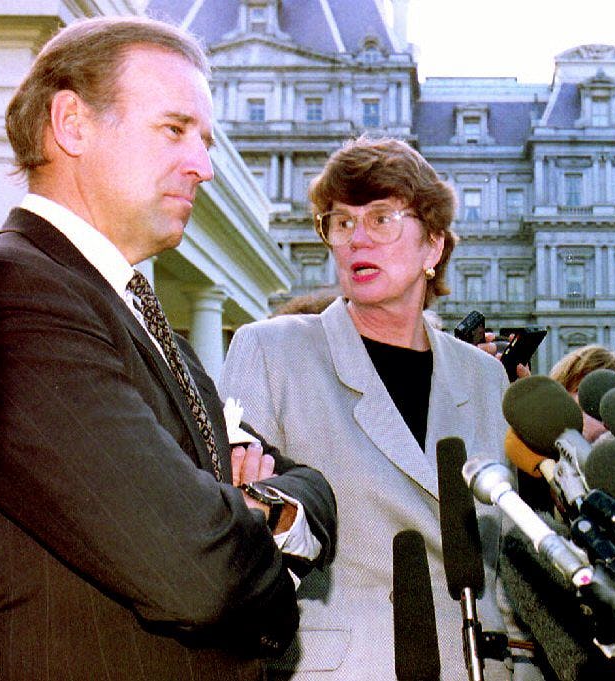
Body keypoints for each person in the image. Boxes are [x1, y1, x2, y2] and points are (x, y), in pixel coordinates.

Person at [0, 17, 337, 680]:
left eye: (205, 141)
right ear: (72, 124)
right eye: (175, 130)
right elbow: (196, 571)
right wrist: (251, 515)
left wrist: (253, 508)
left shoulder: (151, 326)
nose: (204, 167)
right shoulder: (16, 295)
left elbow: (312, 486)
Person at [220, 137, 526, 680]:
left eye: (381, 219)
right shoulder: (270, 350)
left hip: (474, 666)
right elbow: (234, 539)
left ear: (433, 246)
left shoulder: (484, 377)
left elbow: (505, 556)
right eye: (341, 222)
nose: (357, 238)